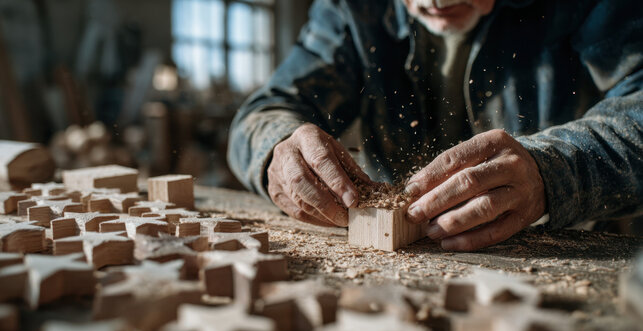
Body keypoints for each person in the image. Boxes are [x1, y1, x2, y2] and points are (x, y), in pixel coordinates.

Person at [228, 0, 643, 251]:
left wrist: (552, 170)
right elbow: (264, 113)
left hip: (566, 240)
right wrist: (277, 147)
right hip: (398, 252)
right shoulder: (352, 8)